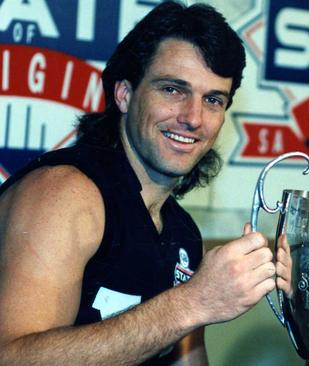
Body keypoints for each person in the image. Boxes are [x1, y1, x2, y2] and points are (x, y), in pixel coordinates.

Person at [0, 2, 276, 365]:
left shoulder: (182, 232)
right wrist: (193, 302)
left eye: (212, 99)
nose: (193, 118)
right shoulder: (65, 193)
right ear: (125, 94)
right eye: (173, 90)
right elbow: (12, 357)